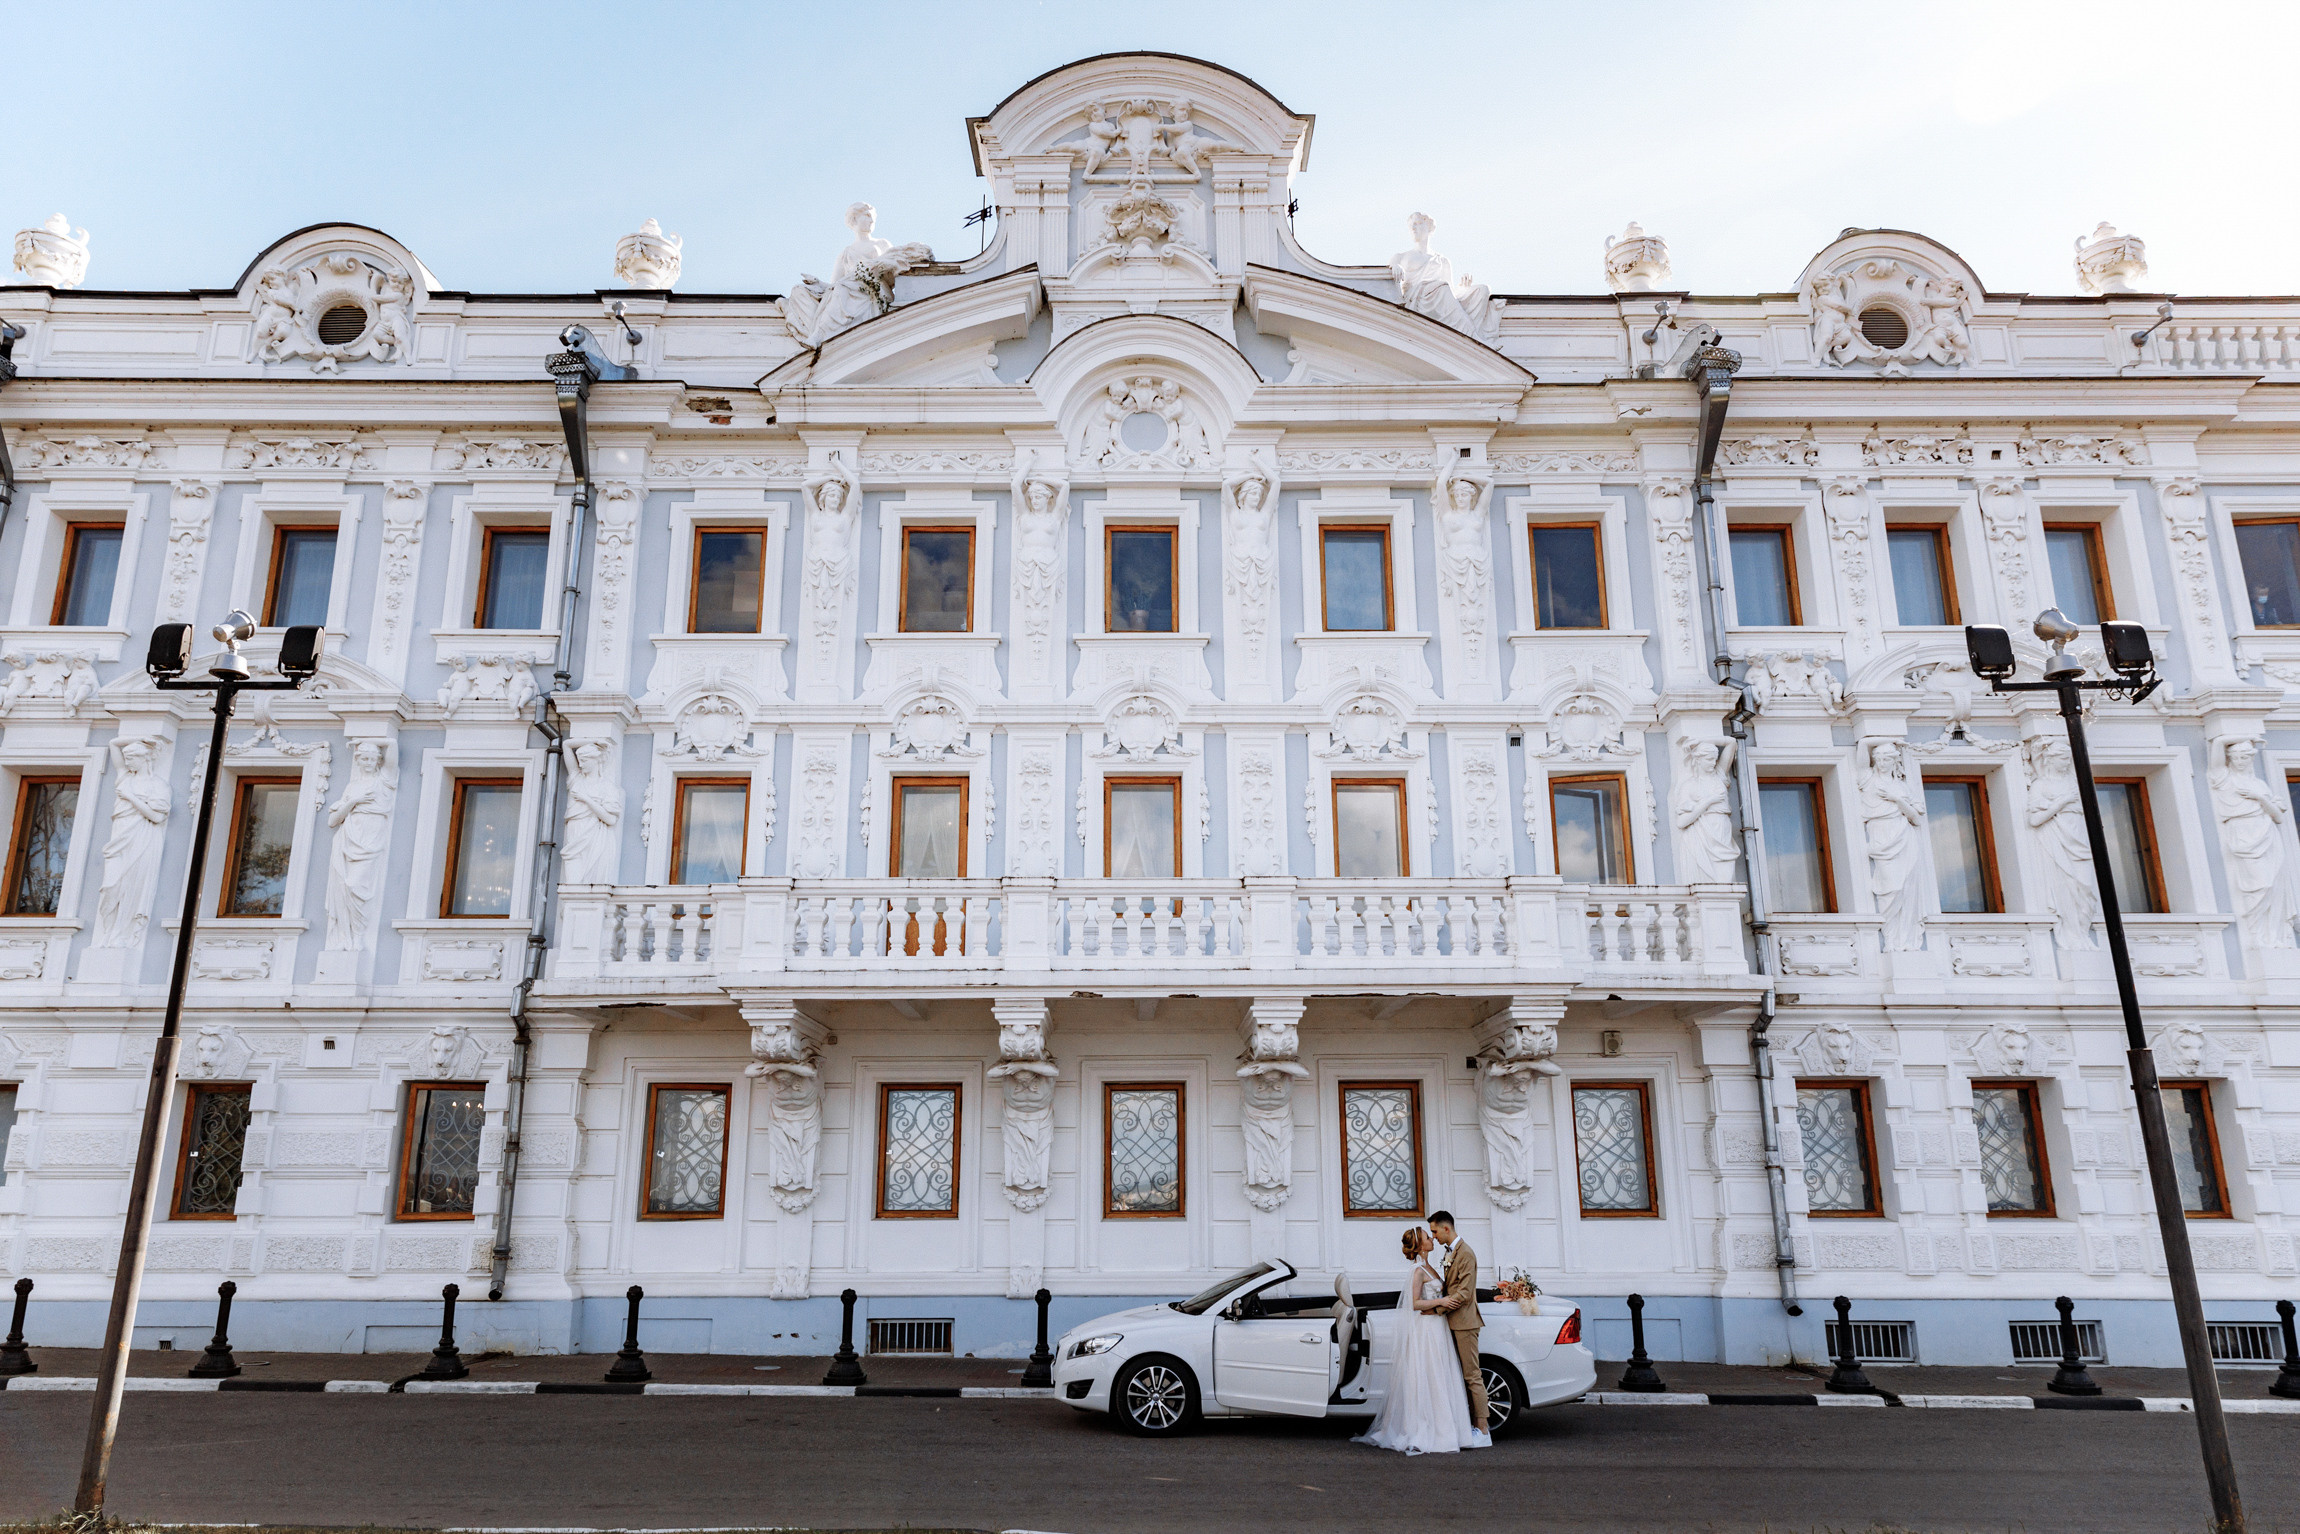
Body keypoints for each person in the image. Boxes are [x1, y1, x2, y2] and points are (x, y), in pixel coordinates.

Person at [1354, 1225, 1483, 1454]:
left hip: (1438, 1326)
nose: (1432, 1238)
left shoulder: (1429, 1266)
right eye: (1427, 1236)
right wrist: (1441, 1302)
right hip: (1427, 1329)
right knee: (1431, 1376)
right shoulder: (1417, 1270)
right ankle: (1432, 1429)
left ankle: (1450, 1428)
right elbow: (1414, 1303)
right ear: (1420, 1244)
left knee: (1442, 1375)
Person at [1428, 1211, 1492, 1442]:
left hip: (1465, 1323)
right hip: (1454, 1321)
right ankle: (1469, 1424)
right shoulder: (1451, 1252)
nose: (1433, 1236)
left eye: (1435, 1231)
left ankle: (1482, 1429)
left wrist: (1437, 1309)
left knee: (1472, 1376)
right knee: (1461, 1376)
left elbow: (1464, 1294)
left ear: (1446, 1228)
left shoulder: (1465, 1253)